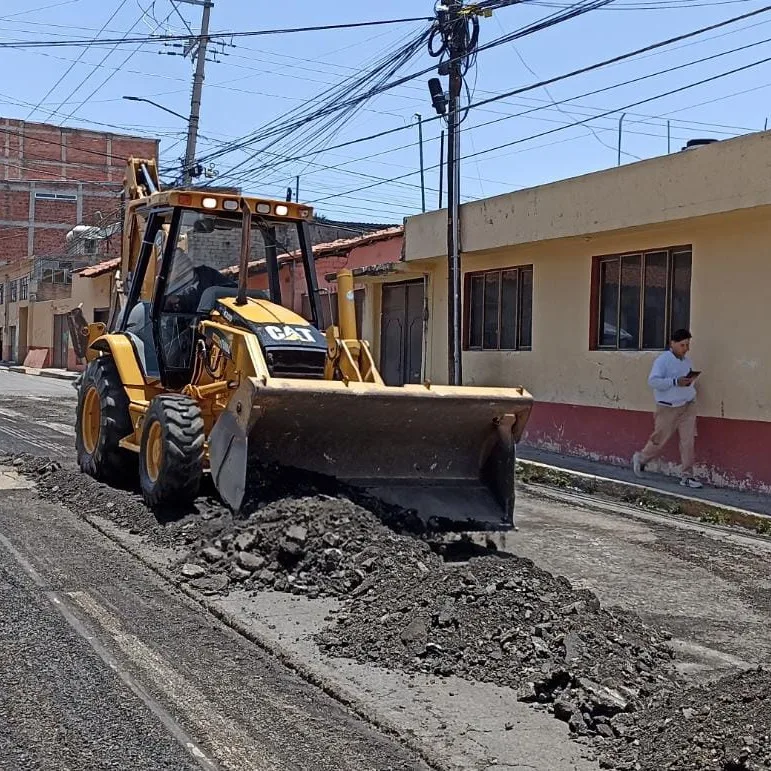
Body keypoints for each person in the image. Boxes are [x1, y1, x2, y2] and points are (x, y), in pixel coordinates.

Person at [632, 328, 702, 489]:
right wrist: (675, 382)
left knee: (688, 441)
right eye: (683, 345)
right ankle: (641, 458)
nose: (686, 348)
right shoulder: (662, 361)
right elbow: (653, 382)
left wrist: (690, 382)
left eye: (687, 345)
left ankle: (687, 476)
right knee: (659, 439)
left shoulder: (687, 362)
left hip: (688, 405)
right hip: (668, 408)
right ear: (673, 344)